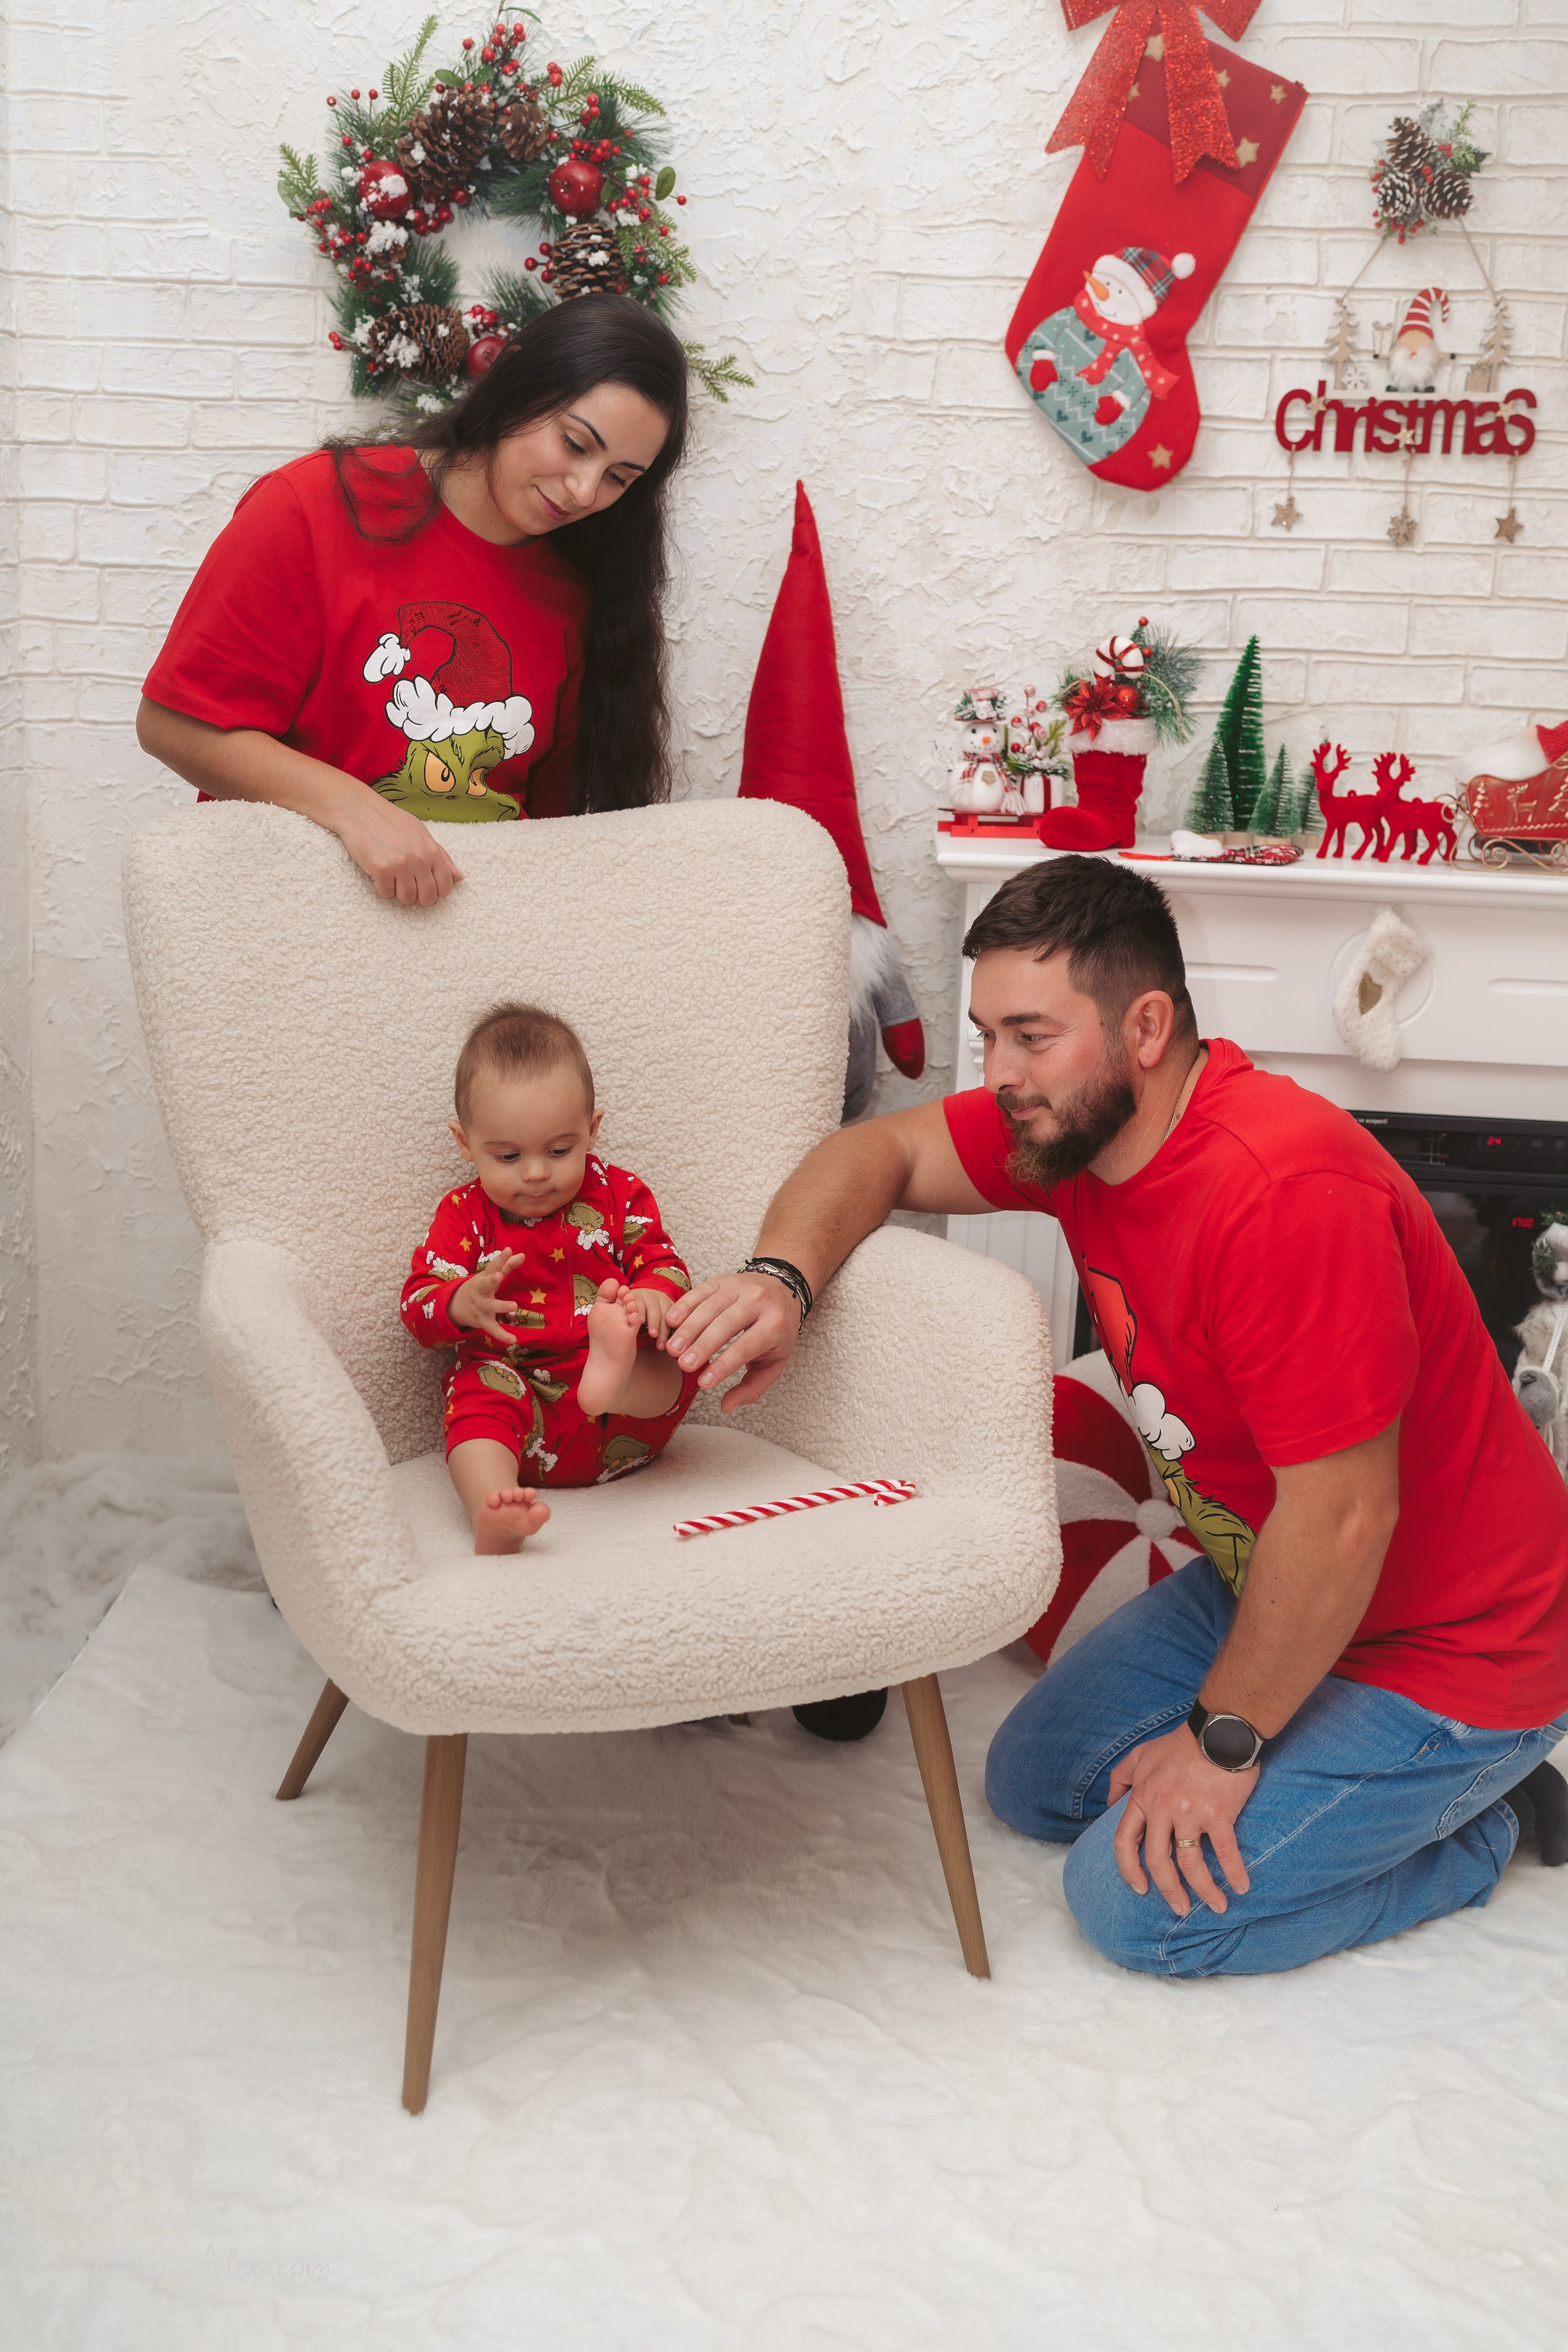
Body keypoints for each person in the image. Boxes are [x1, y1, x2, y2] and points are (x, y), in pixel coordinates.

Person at [659, 854, 1568, 1973]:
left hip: (1456, 1642)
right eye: (988, 1035)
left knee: (1137, 1908)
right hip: (1275, 1572)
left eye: (1030, 1037)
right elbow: (878, 1149)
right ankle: (1330, 1746)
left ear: (1145, 1026)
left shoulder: (1284, 1197)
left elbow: (1343, 1521)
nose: (998, 1073)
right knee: (1036, 1782)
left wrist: (1220, 1745)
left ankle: (1490, 1820)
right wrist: (780, 1280)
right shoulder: (1073, 1131)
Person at [137, 294, 688, 907]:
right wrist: (355, 810)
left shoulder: (578, 601)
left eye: (619, 478)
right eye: (575, 444)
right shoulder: (310, 505)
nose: (584, 490)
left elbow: (542, 837)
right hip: (290, 918)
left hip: (473, 943)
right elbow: (174, 725)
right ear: (517, 378)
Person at [402, 1001, 697, 1555]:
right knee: (476, 1397)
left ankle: (622, 1378)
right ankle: (494, 1508)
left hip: (622, 1419)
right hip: (517, 1394)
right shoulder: (464, 1216)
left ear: (592, 1130)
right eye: (508, 1155)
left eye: (560, 1150)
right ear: (465, 1143)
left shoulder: (619, 1194)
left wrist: (656, 1297)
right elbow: (417, 1306)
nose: (537, 1173)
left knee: (682, 1356)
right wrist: (460, 1302)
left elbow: (663, 1261)